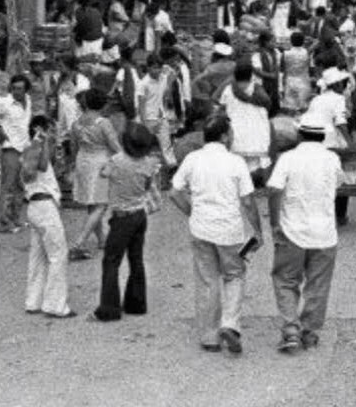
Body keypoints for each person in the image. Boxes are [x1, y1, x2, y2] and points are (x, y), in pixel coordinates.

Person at [169, 114, 261, 354]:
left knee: (207, 279)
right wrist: (258, 230)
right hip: (230, 231)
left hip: (200, 229)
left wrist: (192, 212)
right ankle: (230, 324)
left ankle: (209, 336)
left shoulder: (193, 159)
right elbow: (249, 202)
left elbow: (174, 192)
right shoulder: (236, 162)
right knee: (234, 275)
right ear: (223, 136)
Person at [265, 108, 341, 353]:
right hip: (325, 233)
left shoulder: (288, 158)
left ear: (299, 135)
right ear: (323, 137)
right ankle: (310, 331)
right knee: (318, 284)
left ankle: (290, 330)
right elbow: (339, 184)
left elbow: (275, 190)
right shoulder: (332, 159)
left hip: (291, 230)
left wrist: (275, 224)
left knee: (286, 280)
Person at [94, 121, 161, 322]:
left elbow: (102, 174)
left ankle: (109, 308)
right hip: (139, 213)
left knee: (111, 260)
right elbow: (149, 185)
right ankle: (136, 303)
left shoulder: (115, 162)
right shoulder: (149, 163)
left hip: (121, 216)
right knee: (136, 259)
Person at [21, 114, 76, 318]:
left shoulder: (35, 148)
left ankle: (34, 301)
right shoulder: (32, 147)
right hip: (43, 207)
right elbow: (30, 171)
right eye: (51, 130)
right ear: (40, 130)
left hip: (38, 206)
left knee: (39, 257)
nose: (55, 134)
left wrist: (45, 141)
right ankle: (55, 304)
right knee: (58, 255)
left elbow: (43, 166)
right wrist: (40, 140)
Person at [68, 90, 119, 260]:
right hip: (100, 161)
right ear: (103, 105)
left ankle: (102, 239)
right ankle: (79, 242)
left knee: (92, 203)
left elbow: (73, 147)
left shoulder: (76, 123)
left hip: (82, 160)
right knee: (101, 204)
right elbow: (114, 145)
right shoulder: (103, 123)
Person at [0, 74, 33, 233]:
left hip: (24, 148)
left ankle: (15, 218)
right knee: (7, 186)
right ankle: (3, 223)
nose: (16, 91)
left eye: (20, 89)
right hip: (10, 148)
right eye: (14, 88)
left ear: (26, 90)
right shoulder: (4, 103)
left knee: (19, 186)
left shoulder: (28, 101)